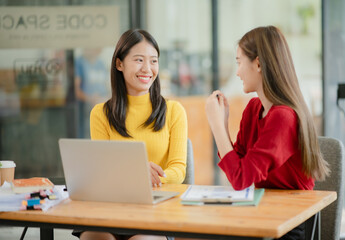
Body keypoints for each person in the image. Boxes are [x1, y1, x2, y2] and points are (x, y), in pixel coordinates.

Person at [205, 26, 329, 240]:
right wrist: (223, 127)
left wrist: (216, 128)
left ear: (259, 63)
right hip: (263, 214)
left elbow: (240, 179)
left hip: (291, 225)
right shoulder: (254, 108)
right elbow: (239, 167)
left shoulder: (284, 117)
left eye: (239, 62)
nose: (237, 72)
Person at [75, 29, 188, 240]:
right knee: (94, 236)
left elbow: (179, 169)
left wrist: (148, 179)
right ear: (119, 64)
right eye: (139, 60)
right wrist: (136, 171)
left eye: (153, 61)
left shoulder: (174, 111)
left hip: (157, 208)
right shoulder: (100, 113)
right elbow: (102, 168)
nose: (147, 68)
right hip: (112, 207)